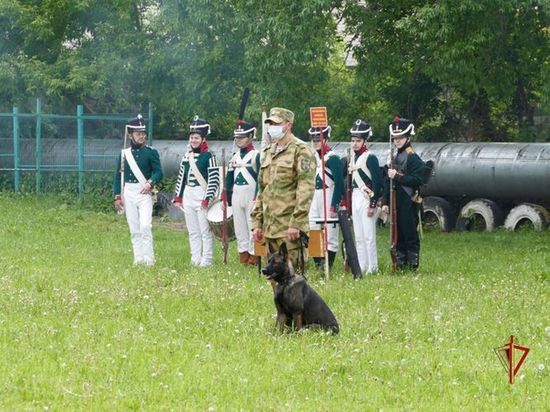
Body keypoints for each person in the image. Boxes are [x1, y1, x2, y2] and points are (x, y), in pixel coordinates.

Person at [252, 107, 315, 275]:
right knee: (275, 283)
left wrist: (297, 223)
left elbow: (306, 189)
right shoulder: (267, 152)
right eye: (270, 123)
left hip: (289, 229)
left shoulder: (301, 150)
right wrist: (257, 223)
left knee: (295, 282)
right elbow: (262, 190)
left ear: (288, 125)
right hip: (270, 228)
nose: (272, 127)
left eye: (276, 123)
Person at [113, 115, 163, 266]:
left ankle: (149, 260)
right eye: (138, 134)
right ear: (131, 135)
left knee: (145, 226)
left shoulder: (151, 152)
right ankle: (138, 259)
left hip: (144, 192)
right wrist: (117, 196)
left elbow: (158, 172)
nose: (142, 136)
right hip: (129, 191)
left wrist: (150, 182)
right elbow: (118, 176)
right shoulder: (124, 154)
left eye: (143, 133)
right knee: (134, 228)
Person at [173, 116, 220, 267]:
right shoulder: (187, 156)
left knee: (205, 231)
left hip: (202, 194)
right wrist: (178, 197)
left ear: (203, 139)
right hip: (189, 194)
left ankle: (206, 260)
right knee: (193, 230)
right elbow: (182, 177)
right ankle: (195, 258)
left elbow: (214, 179)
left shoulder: (209, 156)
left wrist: (207, 198)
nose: (193, 140)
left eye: (196, 137)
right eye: (192, 137)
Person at [383, 116, 426, 270]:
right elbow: (388, 182)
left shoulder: (412, 157)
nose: (397, 141)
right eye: (395, 138)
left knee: (409, 233)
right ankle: (401, 263)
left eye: (400, 138)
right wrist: (385, 203)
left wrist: (398, 176)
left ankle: (413, 264)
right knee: (398, 231)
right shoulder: (395, 156)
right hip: (396, 199)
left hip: (408, 199)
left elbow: (418, 179)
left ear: (408, 137)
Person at [348, 119, 383, 275]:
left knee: (369, 236)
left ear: (364, 141)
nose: (355, 144)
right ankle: (362, 265)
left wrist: (373, 204)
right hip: (356, 196)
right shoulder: (352, 157)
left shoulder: (371, 157)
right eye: (353, 140)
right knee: (359, 236)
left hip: (367, 198)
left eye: (358, 141)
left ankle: (373, 267)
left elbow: (377, 183)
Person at [307, 125, 344, 269]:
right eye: (314, 139)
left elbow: (339, 184)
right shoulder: (312, 157)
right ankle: (318, 264)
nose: (316, 142)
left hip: (328, 194)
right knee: (314, 228)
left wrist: (334, 204)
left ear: (326, 139)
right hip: (314, 195)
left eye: (319, 139)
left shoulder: (333, 158)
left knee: (330, 232)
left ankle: (329, 264)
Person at [224, 120, 260, 266]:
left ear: (251, 137)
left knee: (252, 225)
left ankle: (254, 256)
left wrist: (257, 197)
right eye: (237, 137)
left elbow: (260, 179)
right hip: (237, 195)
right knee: (239, 228)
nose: (238, 140)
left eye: (242, 137)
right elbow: (229, 179)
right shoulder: (235, 156)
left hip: (251, 195)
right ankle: (243, 254)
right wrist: (225, 199)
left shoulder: (256, 155)